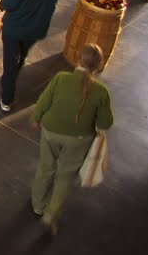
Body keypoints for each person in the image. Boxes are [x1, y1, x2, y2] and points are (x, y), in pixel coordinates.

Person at [29, 44, 113, 235]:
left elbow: (44, 100)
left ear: (78, 59)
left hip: (51, 130)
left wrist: (36, 118)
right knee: (65, 177)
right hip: (79, 139)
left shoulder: (61, 79)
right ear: (98, 65)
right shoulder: (101, 92)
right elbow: (106, 122)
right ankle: (50, 214)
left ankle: (37, 204)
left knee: (46, 166)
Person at [0, 0, 60, 112]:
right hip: (35, 30)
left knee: (10, 62)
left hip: (15, 29)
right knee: (21, 56)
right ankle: (15, 69)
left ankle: (6, 98)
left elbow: (7, 5)